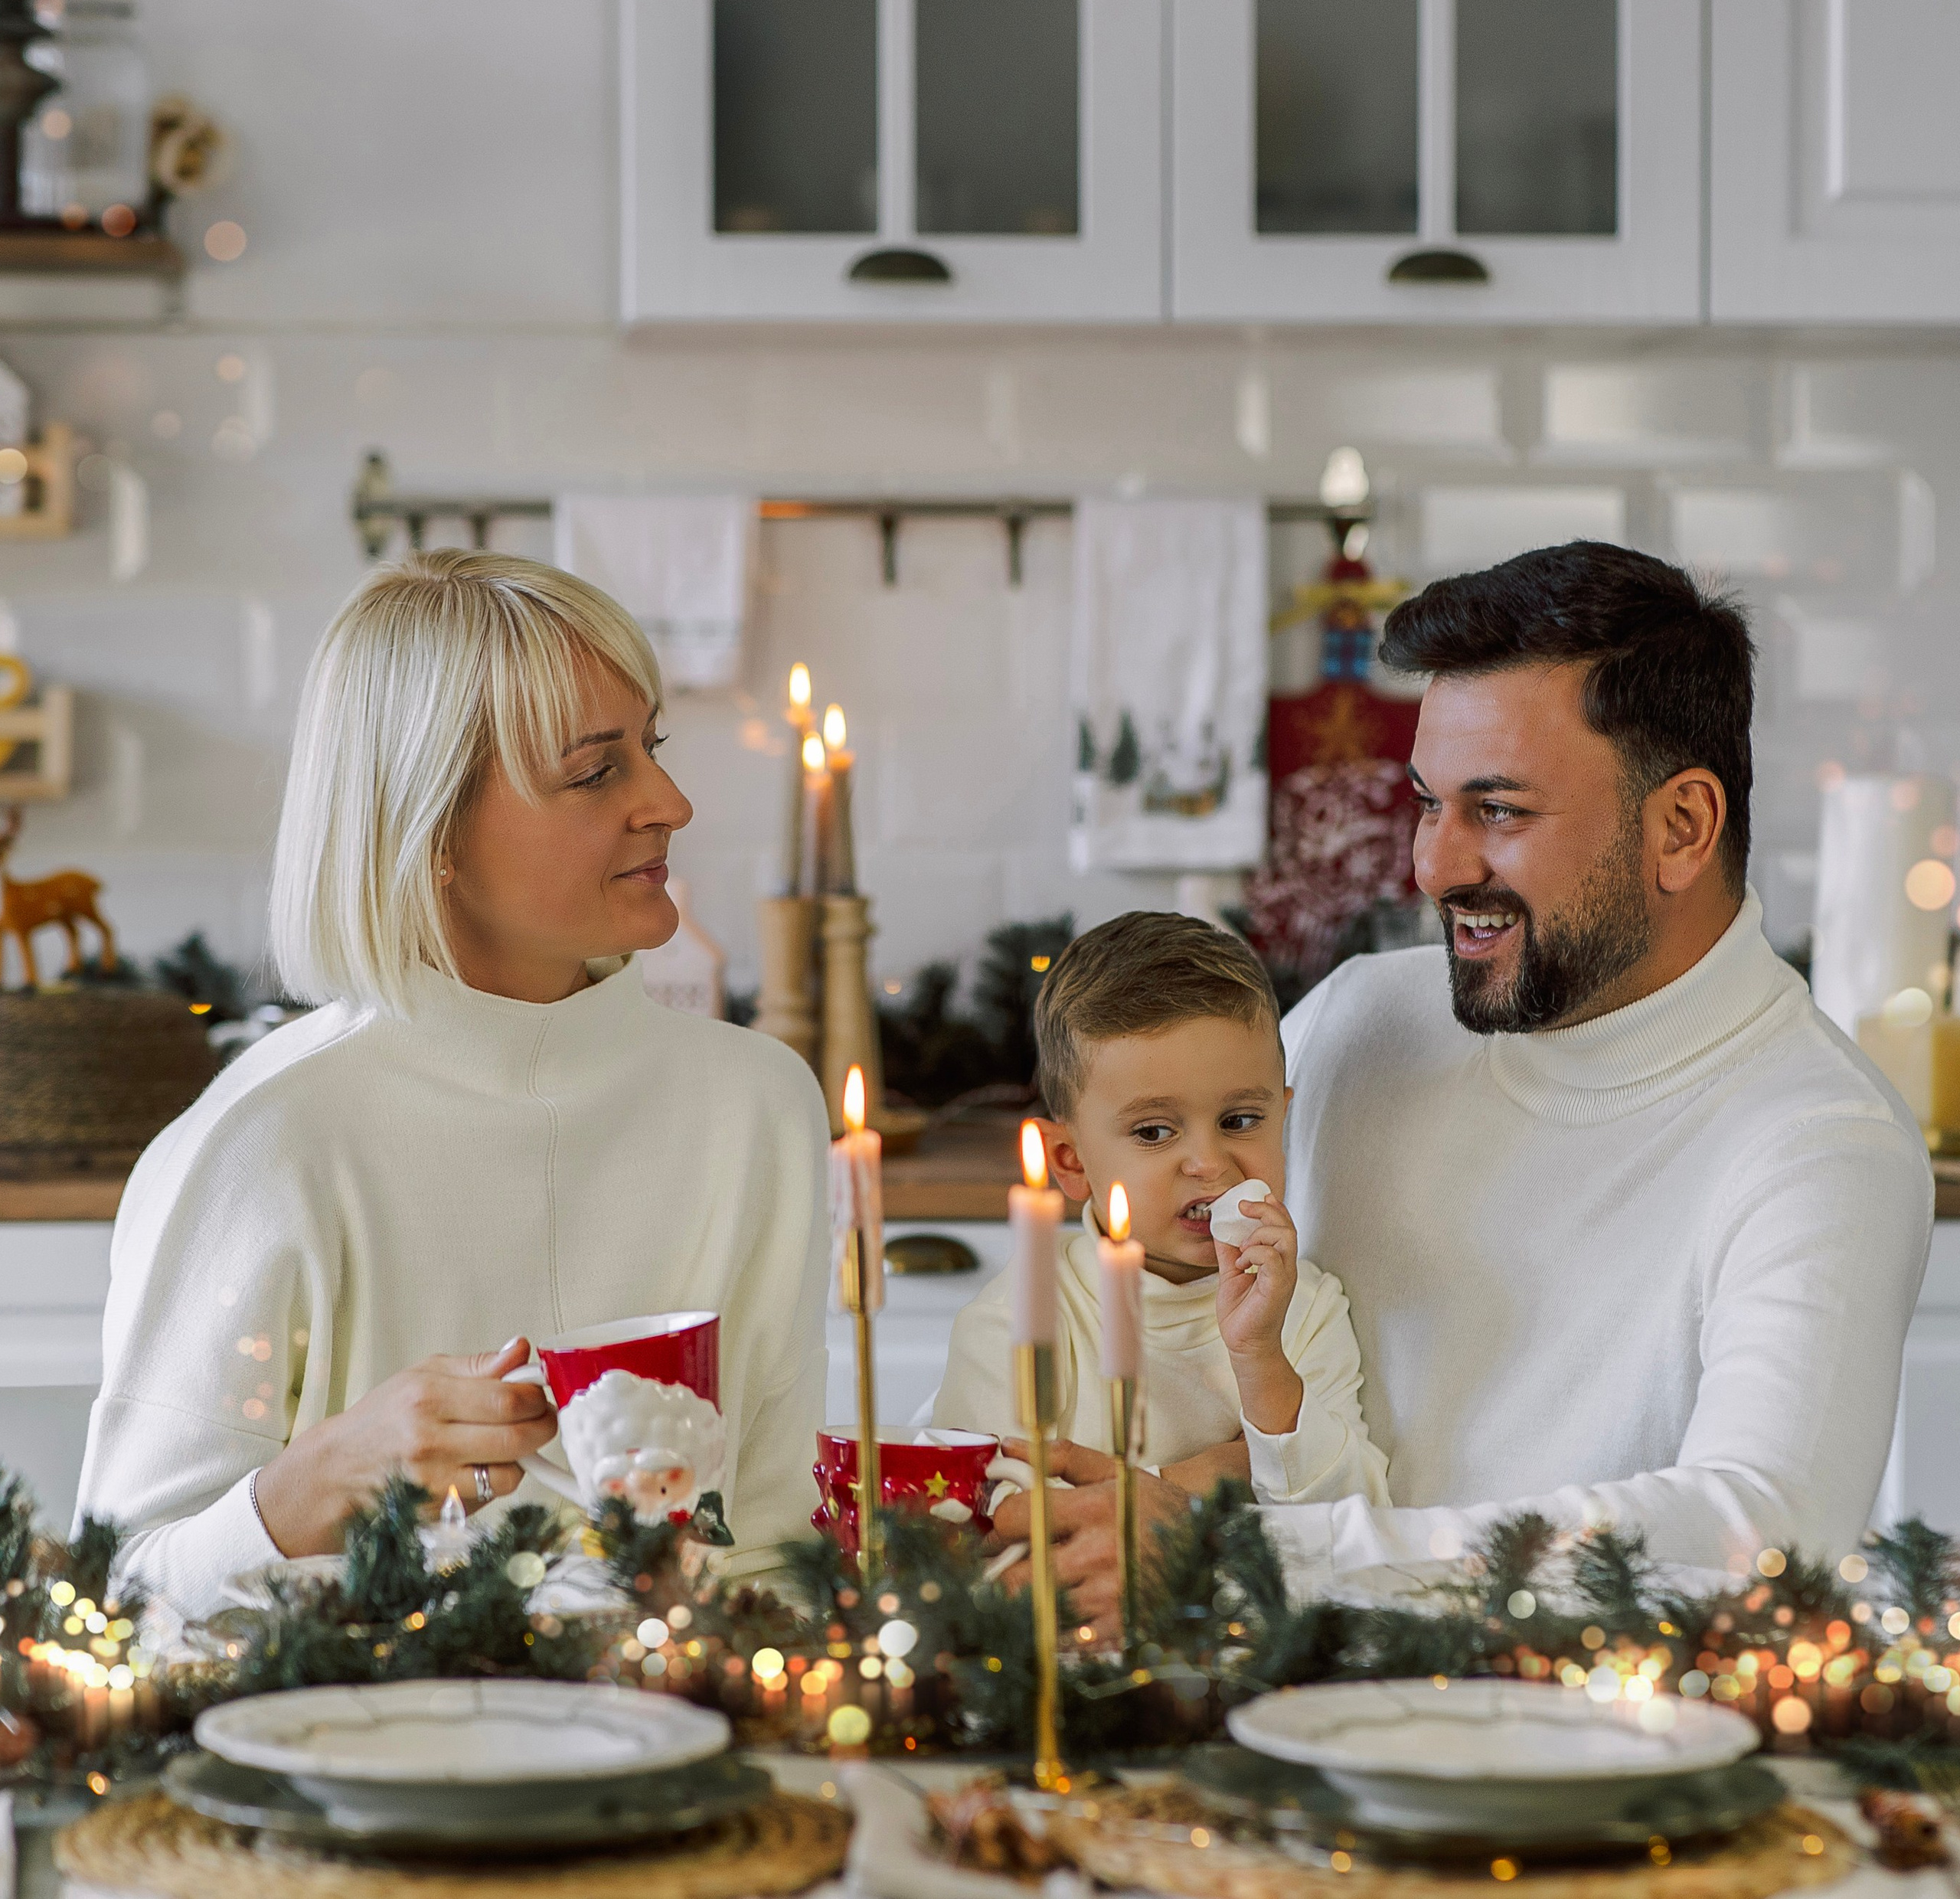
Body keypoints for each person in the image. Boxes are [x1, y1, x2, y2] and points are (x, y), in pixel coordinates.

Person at [992, 542, 1932, 1633]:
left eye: (1500, 811)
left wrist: (1248, 1553)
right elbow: (1197, 1335)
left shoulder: (1819, 1142)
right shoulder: (1361, 1024)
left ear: (1682, 827)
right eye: (1429, 803)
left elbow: (1761, 1531)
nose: (1434, 866)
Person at [74, 551, 831, 1620]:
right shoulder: (265, 1145)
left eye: (651, 749)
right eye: (595, 770)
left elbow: (771, 1546)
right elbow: (118, 1595)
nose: (671, 801)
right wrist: (319, 1480)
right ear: (431, 831)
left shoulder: (758, 1108)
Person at [933, 913, 1387, 1508]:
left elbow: (1356, 1513)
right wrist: (1216, 1473)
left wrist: (1260, 1359)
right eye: (1153, 1131)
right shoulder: (1019, 1320)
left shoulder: (1305, 1311)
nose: (1208, 1163)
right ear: (1070, 1161)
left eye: (1240, 1121)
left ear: (1284, 1117)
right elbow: (980, 1513)